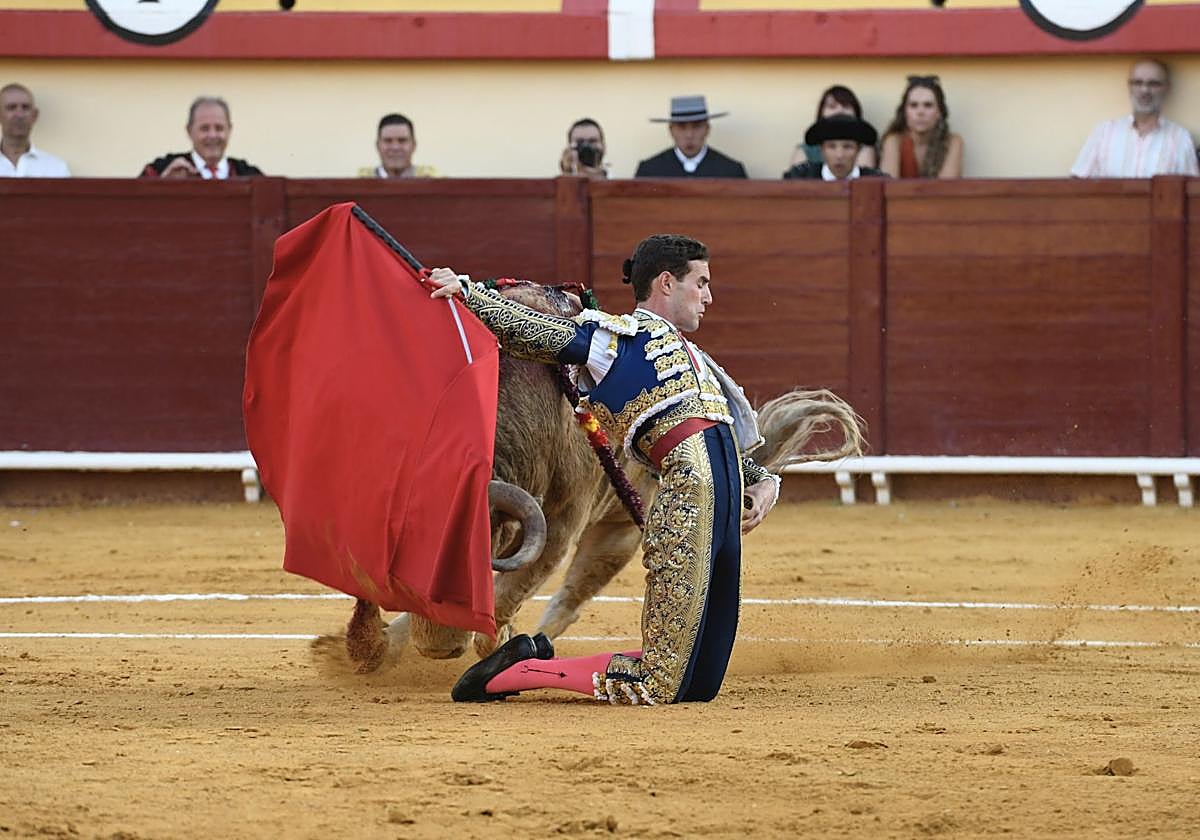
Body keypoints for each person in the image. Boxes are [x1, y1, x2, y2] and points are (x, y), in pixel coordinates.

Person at [425, 234, 780, 705]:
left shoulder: (695, 357)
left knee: (702, 682)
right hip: (685, 503)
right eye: (702, 282)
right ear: (667, 282)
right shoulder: (617, 340)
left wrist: (760, 479)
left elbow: (712, 435)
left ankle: (542, 659)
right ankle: (510, 673)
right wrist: (467, 291)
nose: (709, 296)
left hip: (722, 508)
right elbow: (535, 331)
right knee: (659, 685)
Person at [1071, 59, 1199, 178]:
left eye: (1153, 84)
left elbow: (1192, 193)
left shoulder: (1180, 138)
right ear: (1129, 86)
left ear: (1167, 88)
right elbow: (1077, 184)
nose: (1145, 90)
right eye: (1138, 83)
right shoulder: (1104, 133)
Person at [141, 96, 263, 179]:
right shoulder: (161, 170)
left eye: (219, 128)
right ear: (189, 131)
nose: (212, 135)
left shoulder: (250, 176)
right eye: (204, 128)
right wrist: (163, 185)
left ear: (229, 130)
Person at [635, 96, 747, 178]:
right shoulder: (649, 170)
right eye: (681, 127)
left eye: (697, 126)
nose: (689, 135)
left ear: (707, 129)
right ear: (671, 130)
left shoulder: (730, 171)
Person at [879, 75, 963, 179]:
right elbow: (889, 187)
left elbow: (946, 187)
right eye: (914, 105)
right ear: (905, 112)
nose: (920, 112)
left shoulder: (953, 141)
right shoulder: (894, 141)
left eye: (928, 105)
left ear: (939, 112)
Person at [788, 85, 877, 171]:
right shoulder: (806, 150)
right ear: (822, 113)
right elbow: (794, 183)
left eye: (846, 106)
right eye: (832, 106)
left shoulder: (865, 147)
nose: (839, 110)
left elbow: (864, 182)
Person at [783, 114, 886, 180]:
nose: (839, 155)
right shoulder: (800, 178)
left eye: (847, 147)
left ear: (858, 150)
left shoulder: (876, 181)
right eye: (831, 147)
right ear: (822, 150)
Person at [0, 83, 70, 178]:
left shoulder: (56, 168)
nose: (19, 115)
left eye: (25, 107)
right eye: (11, 107)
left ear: (35, 115)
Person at [358, 113, 439, 179]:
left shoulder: (431, 184)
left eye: (402, 140)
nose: (395, 147)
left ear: (414, 145)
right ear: (377, 146)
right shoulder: (360, 185)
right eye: (388, 141)